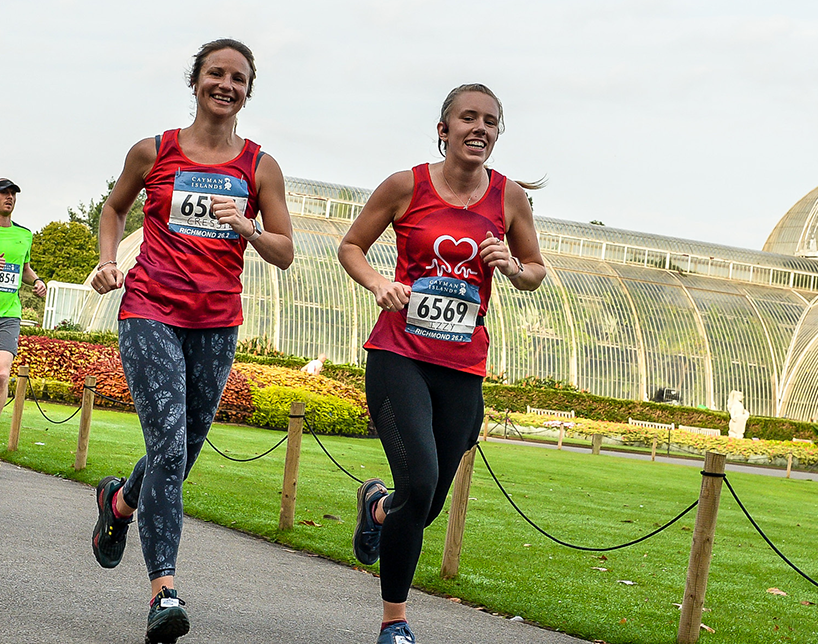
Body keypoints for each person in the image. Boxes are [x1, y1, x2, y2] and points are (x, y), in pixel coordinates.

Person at [90, 39, 294, 644]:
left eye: (237, 78)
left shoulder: (259, 166)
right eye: (215, 74)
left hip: (216, 321)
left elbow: (285, 253)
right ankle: (164, 590)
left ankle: (121, 501)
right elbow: (113, 208)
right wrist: (106, 262)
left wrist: (251, 229)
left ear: (247, 91)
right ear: (196, 80)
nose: (225, 85)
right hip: (150, 309)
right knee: (170, 449)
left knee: (182, 450)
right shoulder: (154, 150)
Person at [338, 83, 545, 644]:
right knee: (422, 477)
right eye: (468, 119)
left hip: (462, 368)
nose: (480, 129)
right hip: (398, 355)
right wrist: (380, 282)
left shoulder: (508, 199)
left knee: (421, 505)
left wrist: (511, 265)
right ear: (444, 129)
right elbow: (351, 246)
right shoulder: (407, 185)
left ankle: (378, 510)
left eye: (491, 122)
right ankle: (394, 623)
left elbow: (535, 269)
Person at [0, 178, 46, 409]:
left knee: (1, 375)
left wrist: (37, 280)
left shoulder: (24, 235)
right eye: (4, 193)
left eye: (13, 194)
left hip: (9, 313)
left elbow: (24, 269)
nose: (9, 197)